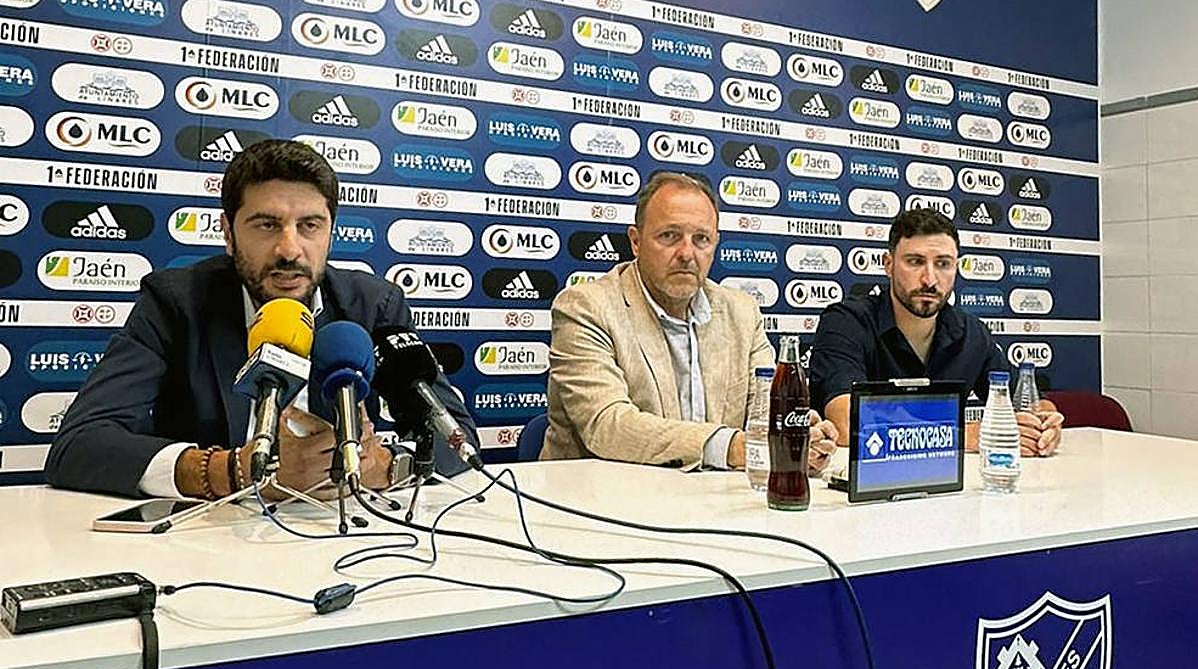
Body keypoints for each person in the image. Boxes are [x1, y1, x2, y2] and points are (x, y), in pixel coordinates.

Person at [45, 138, 478, 499]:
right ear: (228, 234)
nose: (290, 249)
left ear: (330, 233)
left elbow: (456, 439)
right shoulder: (176, 303)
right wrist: (234, 472)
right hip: (216, 538)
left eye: (310, 225)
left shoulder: (372, 305)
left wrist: (385, 466)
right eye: (266, 225)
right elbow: (78, 446)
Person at [541, 171, 838, 472]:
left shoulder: (742, 313)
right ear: (635, 241)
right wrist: (730, 447)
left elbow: (766, 410)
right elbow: (607, 425)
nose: (687, 253)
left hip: (712, 502)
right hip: (596, 504)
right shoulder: (586, 308)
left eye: (701, 239)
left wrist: (797, 435)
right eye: (669, 236)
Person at [809, 208, 1063, 456]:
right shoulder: (846, 322)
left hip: (954, 487)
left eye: (942, 264)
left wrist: (1043, 424)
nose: (929, 279)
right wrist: (967, 436)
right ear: (888, 264)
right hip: (862, 486)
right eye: (915, 262)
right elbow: (845, 423)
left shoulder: (971, 333)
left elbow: (1025, 402)